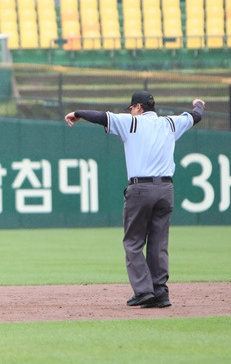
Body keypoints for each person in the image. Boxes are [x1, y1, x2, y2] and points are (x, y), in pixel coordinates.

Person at [64, 91, 205, 308]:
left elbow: (102, 116)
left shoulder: (131, 123)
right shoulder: (170, 123)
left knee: (133, 242)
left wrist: (77, 113)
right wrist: (198, 104)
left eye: (131, 107)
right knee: (158, 244)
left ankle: (143, 291)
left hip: (140, 188)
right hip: (166, 189)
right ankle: (160, 293)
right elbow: (196, 116)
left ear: (138, 107)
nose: (130, 111)